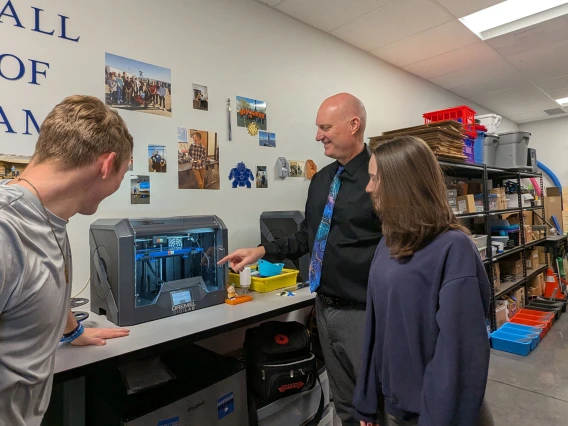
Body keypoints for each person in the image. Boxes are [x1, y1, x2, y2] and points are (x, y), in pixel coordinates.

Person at [218, 93, 382, 425]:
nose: (318, 135)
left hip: (365, 311)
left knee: (375, 405)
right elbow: (309, 235)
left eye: (325, 127)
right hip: (322, 306)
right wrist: (260, 251)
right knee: (345, 402)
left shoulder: (381, 178)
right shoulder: (323, 180)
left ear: (354, 125)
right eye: (318, 128)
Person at [0, 95, 133, 426]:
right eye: (124, 171)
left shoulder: (52, 217)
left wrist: (71, 330)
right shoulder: (6, 231)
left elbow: (40, 287)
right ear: (107, 164)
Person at [353, 136, 493, 426]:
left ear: (402, 185)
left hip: (439, 415)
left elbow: (459, 357)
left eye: (375, 179)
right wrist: (367, 401)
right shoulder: (387, 244)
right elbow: (376, 326)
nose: (369, 188)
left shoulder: (454, 249)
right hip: (398, 409)